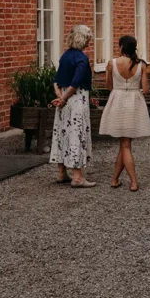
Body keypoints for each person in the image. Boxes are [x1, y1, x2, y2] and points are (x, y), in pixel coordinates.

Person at [99, 35, 150, 190]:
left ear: (121, 47)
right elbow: (146, 89)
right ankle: (132, 181)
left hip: (117, 102)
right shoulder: (141, 64)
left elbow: (109, 86)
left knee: (124, 144)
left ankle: (116, 180)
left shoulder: (112, 63)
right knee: (125, 144)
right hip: (133, 103)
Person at [50, 24, 96, 187]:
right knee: (76, 134)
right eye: (88, 39)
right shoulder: (81, 58)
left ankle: (62, 173)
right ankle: (77, 177)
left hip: (63, 100)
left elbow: (56, 80)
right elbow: (76, 82)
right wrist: (65, 98)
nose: (89, 42)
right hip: (76, 101)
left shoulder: (65, 56)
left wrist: (60, 97)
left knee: (62, 133)